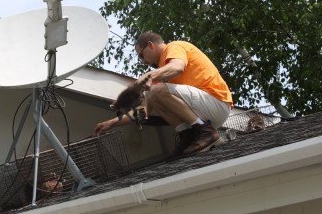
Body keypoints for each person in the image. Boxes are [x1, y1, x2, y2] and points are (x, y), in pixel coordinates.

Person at [93, 31, 233, 155]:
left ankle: (205, 132)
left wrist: (150, 76)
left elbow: (177, 67)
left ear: (151, 45)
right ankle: (188, 135)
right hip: (204, 112)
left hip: (217, 104)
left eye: (141, 56)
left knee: (156, 90)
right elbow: (144, 111)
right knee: (152, 95)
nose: (143, 62)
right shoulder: (160, 73)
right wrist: (112, 123)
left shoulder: (174, 47)